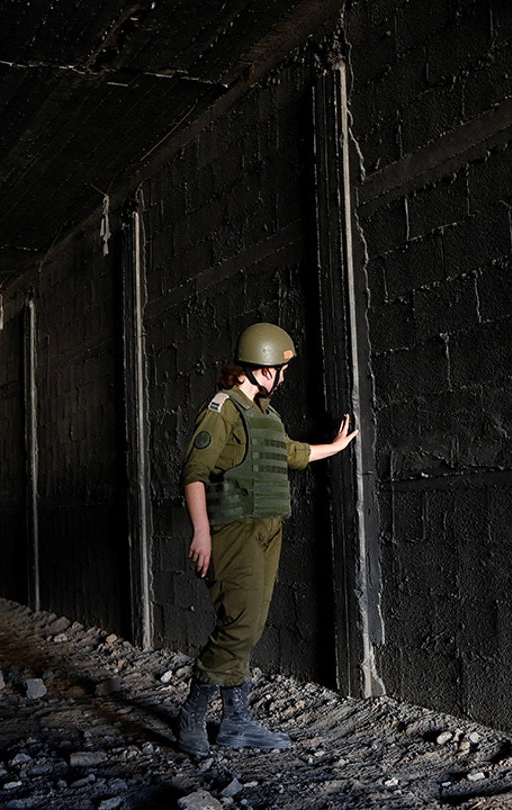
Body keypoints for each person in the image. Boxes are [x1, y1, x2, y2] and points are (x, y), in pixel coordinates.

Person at [174, 322, 358, 756]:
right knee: (237, 626)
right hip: (234, 529)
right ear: (262, 368)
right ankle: (192, 715)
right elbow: (193, 473)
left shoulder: (265, 413)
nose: (283, 376)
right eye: (281, 368)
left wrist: (333, 447)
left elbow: (291, 453)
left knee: (250, 626)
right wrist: (201, 531)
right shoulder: (223, 410)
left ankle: (237, 723)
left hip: (268, 529)